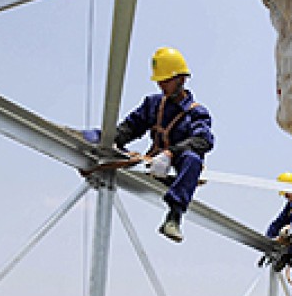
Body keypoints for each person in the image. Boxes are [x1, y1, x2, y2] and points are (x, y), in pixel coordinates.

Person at [85, 47, 214, 243]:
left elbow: (203, 140)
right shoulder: (153, 104)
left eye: (166, 80)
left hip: (177, 177)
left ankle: (174, 217)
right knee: (109, 143)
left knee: (192, 159)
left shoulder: (197, 113)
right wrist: (105, 139)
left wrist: (171, 153)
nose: (161, 85)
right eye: (159, 81)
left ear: (181, 79)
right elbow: (130, 128)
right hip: (153, 165)